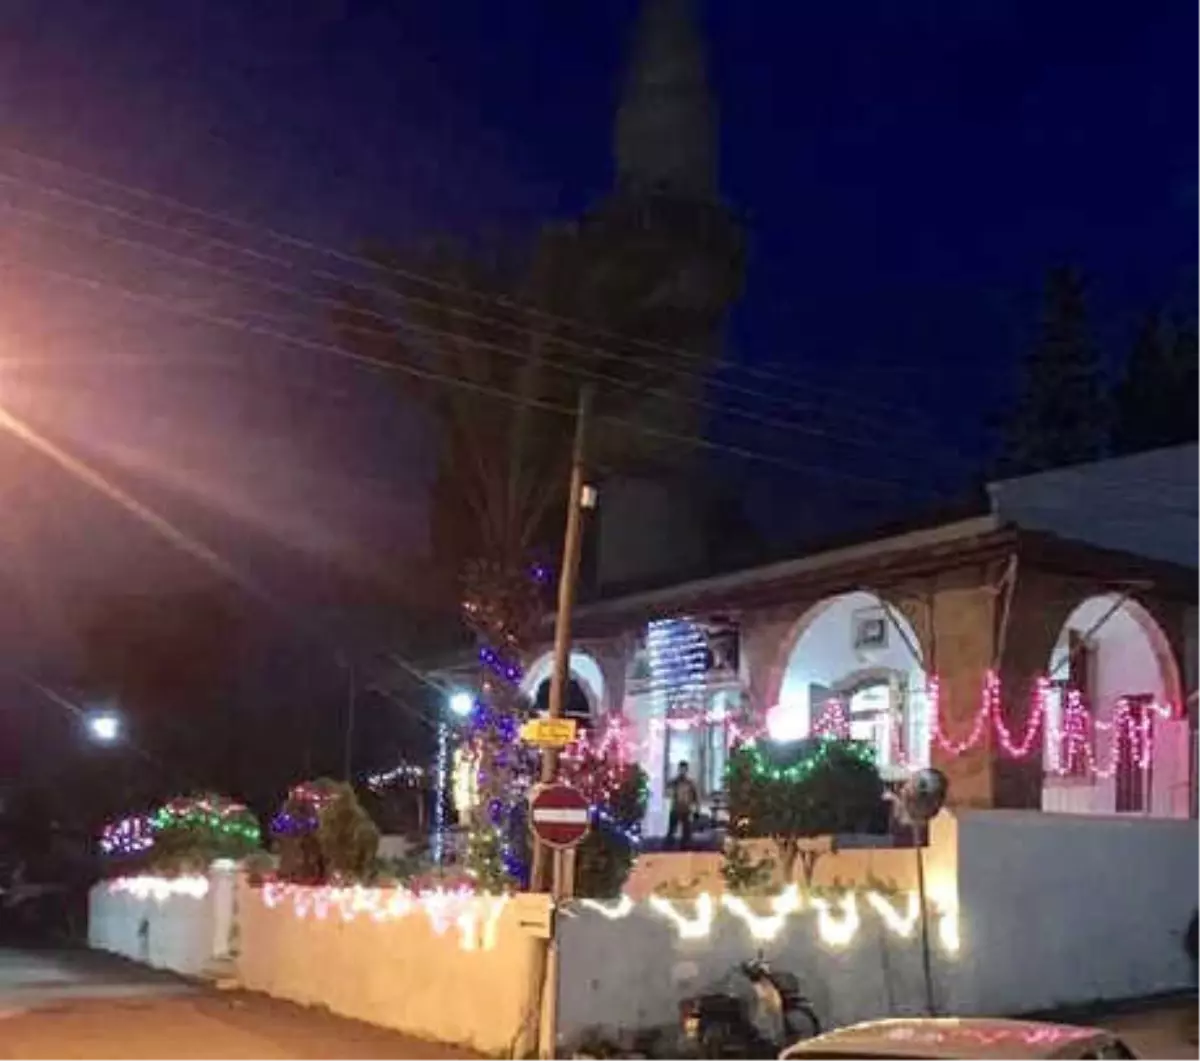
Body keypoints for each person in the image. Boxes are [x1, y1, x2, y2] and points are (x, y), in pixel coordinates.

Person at [666, 760, 699, 850]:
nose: (682, 771)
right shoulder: (675, 782)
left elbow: (695, 797)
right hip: (676, 808)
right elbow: (668, 789)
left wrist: (696, 809)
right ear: (679, 769)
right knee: (671, 830)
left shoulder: (690, 783)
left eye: (684, 769)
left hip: (686, 809)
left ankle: (684, 848)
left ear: (686, 770)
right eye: (681, 769)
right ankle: (668, 848)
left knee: (686, 831)